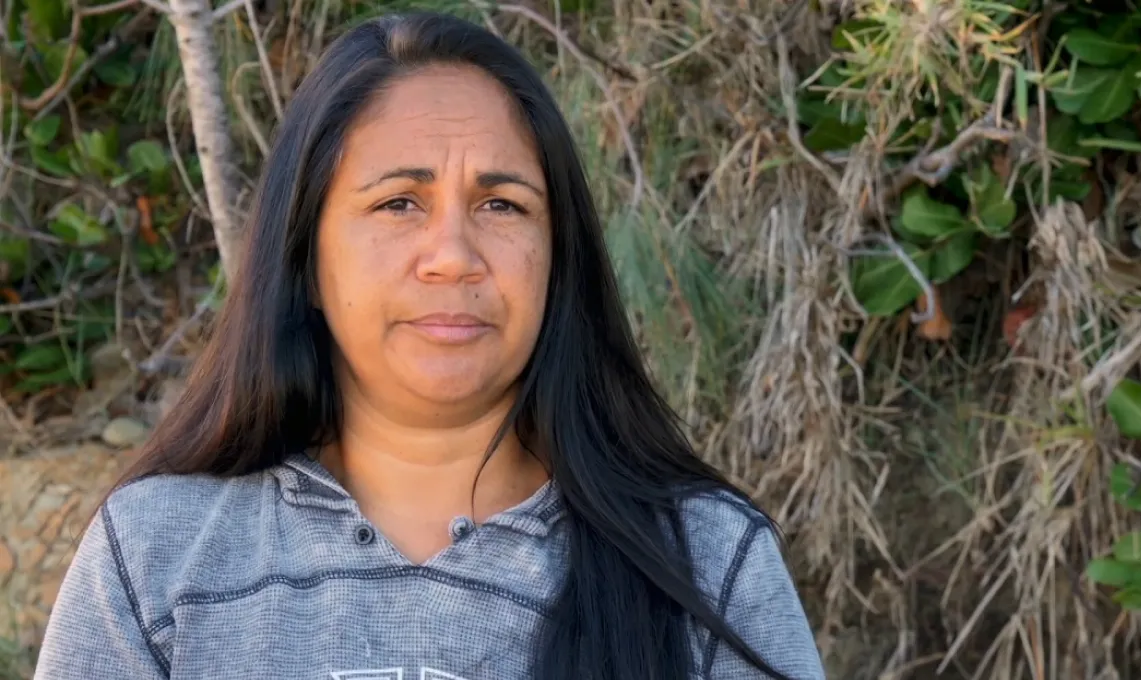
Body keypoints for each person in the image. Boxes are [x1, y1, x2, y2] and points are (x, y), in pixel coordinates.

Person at [34, 11, 824, 680]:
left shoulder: (705, 562)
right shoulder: (156, 555)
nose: (453, 254)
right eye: (400, 202)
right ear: (305, 257)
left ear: (560, 254)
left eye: (502, 205)